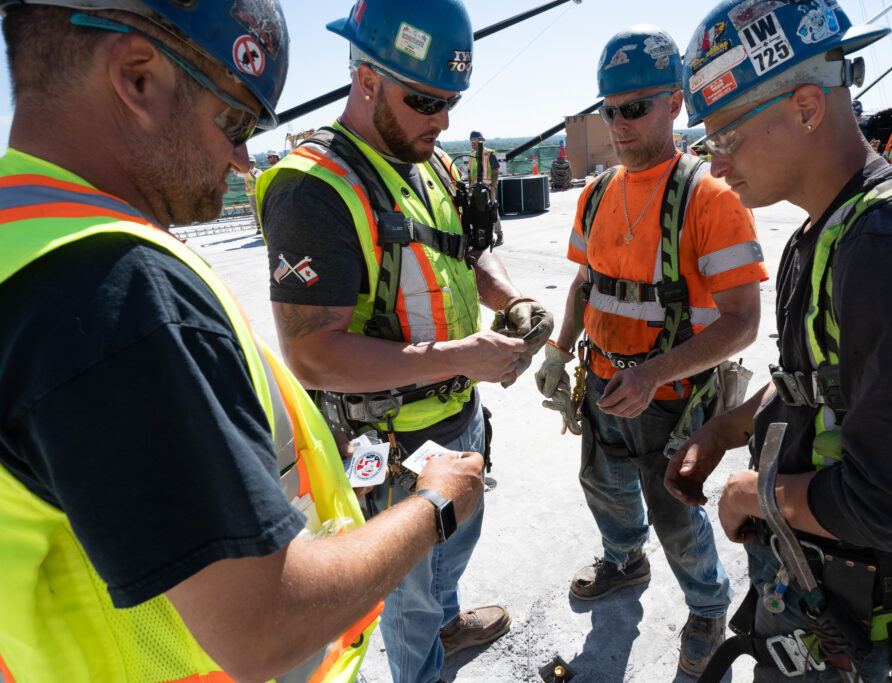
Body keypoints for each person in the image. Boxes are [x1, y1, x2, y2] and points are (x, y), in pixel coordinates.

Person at [0, 2, 487, 682]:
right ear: (137, 78)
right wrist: (433, 505)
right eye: (235, 119)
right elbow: (264, 626)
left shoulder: (22, 239)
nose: (240, 159)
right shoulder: (117, 294)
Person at [670, 1, 892, 680]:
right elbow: (825, 376)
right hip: (822, 580)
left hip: (861, 614)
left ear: (804, 107)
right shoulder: (831, 229)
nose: (714, 164)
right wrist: (724, 431)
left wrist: (751, 494)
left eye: (726, 136)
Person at [256, 1, 554, 681]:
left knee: (449, 552)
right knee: (408, 594)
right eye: (424, 100)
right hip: (390, 452)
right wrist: (466, 356)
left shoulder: (429, 166)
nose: (442, 121)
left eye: (450, 101)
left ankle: (443, 625)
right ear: (365, 79)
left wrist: (514, 299)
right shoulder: (314, 191)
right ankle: (424, 660)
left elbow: (464, 252)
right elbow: (312, 352)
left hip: (459, 422)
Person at [534, 24, 768, 677]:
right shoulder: (598, 192)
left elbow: (743, 321)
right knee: (602, 485)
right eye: (607, 110)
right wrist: (559, 349)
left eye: (633, 107)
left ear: (675, 104)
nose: (618, 123)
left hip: (671, 397)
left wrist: (654, 373)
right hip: (604, 387)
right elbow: (586, 281)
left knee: (676, 512)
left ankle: (707, 605)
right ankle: (622, 559)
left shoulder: (709, 198)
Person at [468, 130, 500, 195]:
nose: (472, 142)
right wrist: (470, 188)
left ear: (481, 140)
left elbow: (495, 171)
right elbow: (469, 174)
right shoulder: (471, 156)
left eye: (474, 140)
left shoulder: (489, 154)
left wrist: (493, 187)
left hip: (488, 189)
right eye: (471, 140)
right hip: (475, 190)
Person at [244, 153, 262, 231]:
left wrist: (249, 171)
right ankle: (259, 228)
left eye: (250, 162)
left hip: (258, 194)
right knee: (255, 213)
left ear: (254, 163)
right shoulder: (245, 173)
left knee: (261, 211)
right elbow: (236, 172)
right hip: (251, 195)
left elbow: (255, 179)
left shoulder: (258, 171)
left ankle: (264, 225)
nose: (248, 164)